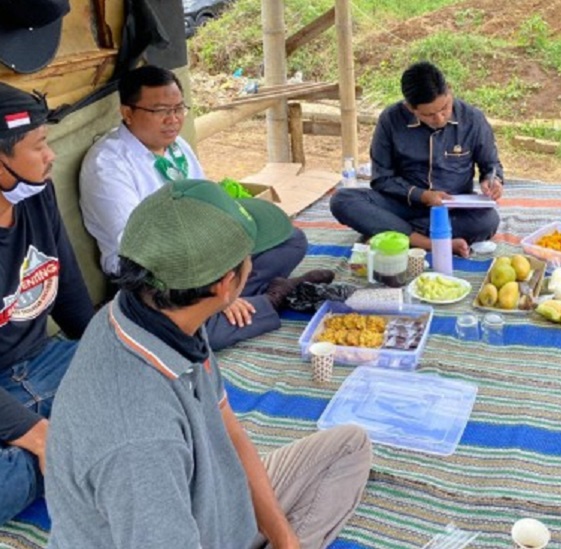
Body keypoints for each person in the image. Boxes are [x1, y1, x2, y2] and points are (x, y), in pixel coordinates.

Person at [46, 179, 372, 549]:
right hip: (179, 530)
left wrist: (285, 539)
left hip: (211, 506)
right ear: (226, 284)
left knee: (351, 445)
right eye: (252, 256)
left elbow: (230, 434)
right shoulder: (141, 442)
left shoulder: (157, 310)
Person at [79, 65, 331, 351]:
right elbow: (135, 251)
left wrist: (223, 262)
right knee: (194, 336)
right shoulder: (108, 164)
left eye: (179, 108)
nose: (173, 119)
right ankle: (274, 297)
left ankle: (231, 299)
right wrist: (216, 282)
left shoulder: (178, 148)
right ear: (128, 113)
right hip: (154, 276)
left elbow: (209, 207)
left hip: (203, 256)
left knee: (290, 239)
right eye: (161, 110)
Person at [0, 83, 94, 524]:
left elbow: (71, 294)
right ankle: (78, 445)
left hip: (43, 362)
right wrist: (36, 435)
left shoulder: (38, 193)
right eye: (38, 146)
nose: (51, 155)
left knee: (149, 373)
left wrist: (110, 352)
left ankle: (72, 447)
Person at [329, 61, 503, 258]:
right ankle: (428, 242)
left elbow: (491, 164)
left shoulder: (472, 119)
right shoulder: (391, 120)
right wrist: (422, 196)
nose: (439, 118)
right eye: (428, 115)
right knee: (342, 199)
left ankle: (390, 232)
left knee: (489, 221)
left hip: (452, 210)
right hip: (402, 205)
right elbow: (381, 178)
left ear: (450, 91)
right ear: (410, 107)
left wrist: (493, 180)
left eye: (444, 108)